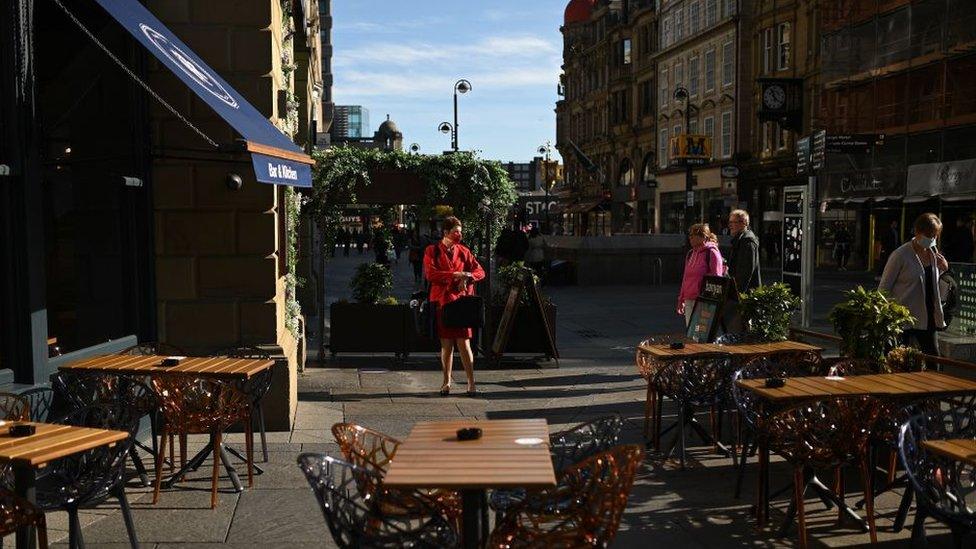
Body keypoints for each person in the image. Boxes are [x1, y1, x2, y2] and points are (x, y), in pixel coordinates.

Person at [424, 216, 485, 396]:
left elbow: (480, 271)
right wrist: (455, 275)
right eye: (456, 231)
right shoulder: (432, 250)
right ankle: (446, 382)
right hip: (443, 302)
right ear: (446, 233)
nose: (459, 234)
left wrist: (467, 275)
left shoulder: (464, 251)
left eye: (460, 231)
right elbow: (431, 274)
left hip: (461, 303)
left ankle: (471, 383)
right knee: (446, 345)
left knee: (464, 343)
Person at [879, 213, 949, 356]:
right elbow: (884, 287)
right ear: (918, 232)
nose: (932, 239)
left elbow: (930, 282)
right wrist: (884, 316)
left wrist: (944, 268)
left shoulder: (934, 253)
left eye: (935, 235)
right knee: (900, 359)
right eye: (929, 235)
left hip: (928, 316)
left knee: (933, 359)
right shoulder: (900, 255)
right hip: (903, 317)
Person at [677, 223, 725, 326]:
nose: (690, 237)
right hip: (689, 298)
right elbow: (685, 278)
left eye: (694, 234)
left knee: (701, 332)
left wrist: (712, 303)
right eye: (690, 234)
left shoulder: (711, 253)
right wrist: (681, 298)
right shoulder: (690, 253)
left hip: (703, 301)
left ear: (704, 237)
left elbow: (717, 279)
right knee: (691, 332)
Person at [727, 210, 761, 292]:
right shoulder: (740, 240)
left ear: (744, 223)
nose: (730, 225)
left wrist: (737, 293)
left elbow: (745, 272)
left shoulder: (747, 242)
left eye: (734, 222)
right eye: (730, 222)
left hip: (745, 294)